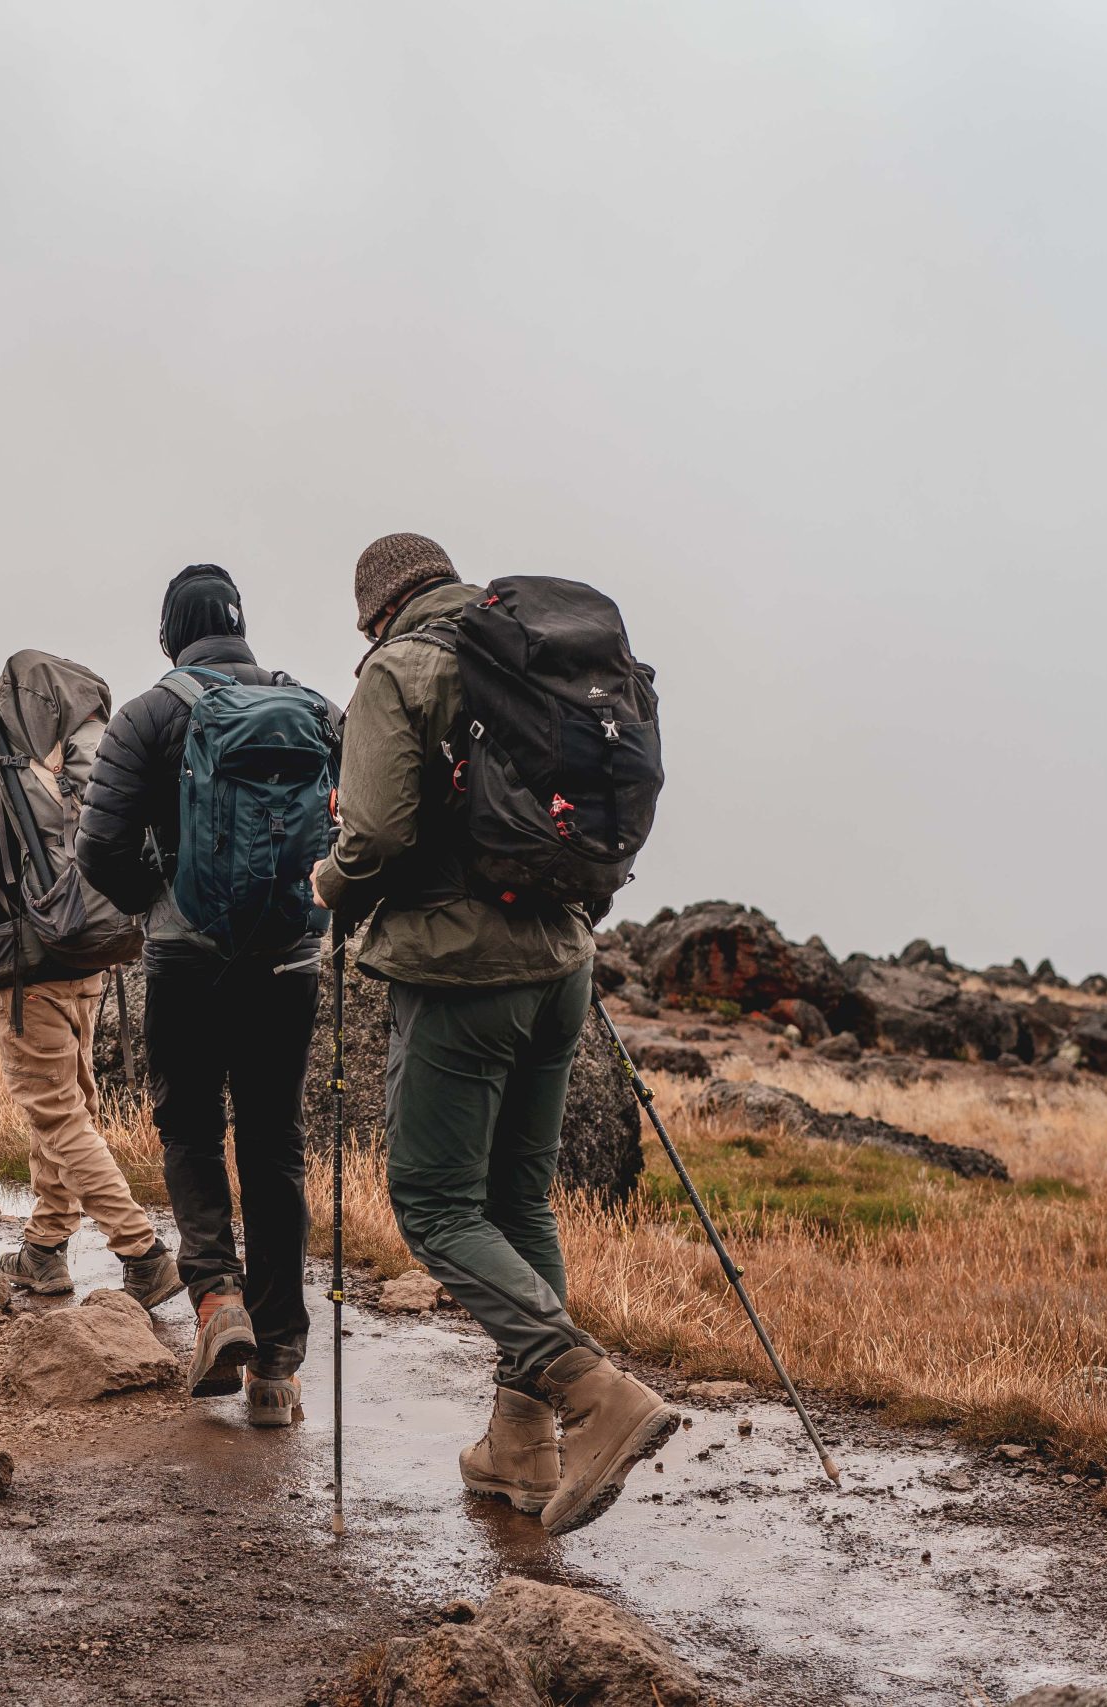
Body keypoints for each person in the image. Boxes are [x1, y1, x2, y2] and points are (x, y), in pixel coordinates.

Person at [310, 533, 678, 1534]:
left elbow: (377, 834)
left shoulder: (400, 668)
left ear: (375, 611)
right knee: (518, 1200)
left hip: (462, 967)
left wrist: (329, 882)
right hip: (563, 963)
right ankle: (520, 1446)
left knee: (433, 1203)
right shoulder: (520, 651)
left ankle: (593, 1395)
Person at [76, 565, 338, 1427]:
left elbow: (101, 849)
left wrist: (164, 898)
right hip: (290, 961)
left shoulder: (150, 714)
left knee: (190, 1125)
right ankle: (280, 1369)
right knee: (275, 1143)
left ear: (167, 637)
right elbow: (360, 820)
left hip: (186, 958)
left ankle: (218, 1300)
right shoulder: (313, 707)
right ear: (241, 625)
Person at [0, 667, 182, 1311]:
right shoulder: (48, 767)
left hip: (25, 973)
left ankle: (144, 1254)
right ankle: (45, 1250)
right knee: (65, 1104)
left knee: (55, 1113)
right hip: (86, 956)